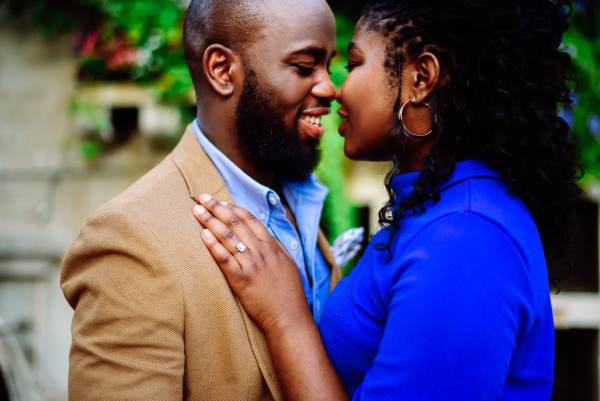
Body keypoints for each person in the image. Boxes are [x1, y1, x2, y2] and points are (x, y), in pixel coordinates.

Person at [193, 1, 579, 400]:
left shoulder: (466, 238)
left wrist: (285, 318)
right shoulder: (443, 211)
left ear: (421, 78)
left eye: (354, 64)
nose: (335, 89)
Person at [60, 0, 339, 400]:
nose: (330, 87)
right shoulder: (131, 240)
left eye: (329, 64)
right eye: (304, 66)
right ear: (222, 70)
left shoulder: (299, 200)